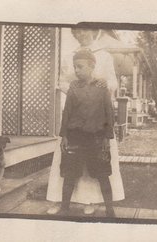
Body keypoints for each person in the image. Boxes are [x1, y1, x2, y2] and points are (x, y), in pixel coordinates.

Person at [46, 27, 125, 215]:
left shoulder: (104, 56)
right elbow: (63, 81)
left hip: (96, 119)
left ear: (94, 31)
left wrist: (95, 86)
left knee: (97, 163)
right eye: (77, 33)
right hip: (76, 118)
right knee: (68, 164)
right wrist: (78, 91)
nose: (81, 35)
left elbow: (112, 83)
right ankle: (59, 200)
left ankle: (91, 200)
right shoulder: (69, 56)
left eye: (85, 31)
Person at [55, 49, 115, 216]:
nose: (76, 70)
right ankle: (64, 208)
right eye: (75, 67)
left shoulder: (102, 87)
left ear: (92, 66)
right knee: (69, 174)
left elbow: (109, 113)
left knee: (103, 174)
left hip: (96, 137)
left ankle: (110, 210)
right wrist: (64, 135)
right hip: (75, 136)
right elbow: (67, 111)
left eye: (80, 67)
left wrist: (107, 138)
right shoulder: (74, 86)